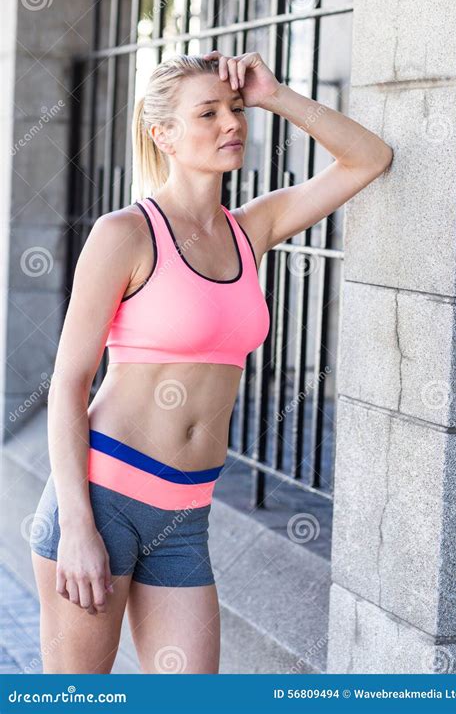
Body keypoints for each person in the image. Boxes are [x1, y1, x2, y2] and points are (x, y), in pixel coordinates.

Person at [29, 50, 393, 674]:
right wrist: (78, 528)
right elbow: (68, 383)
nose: (231, 124)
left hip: (186, 513)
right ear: (162, 134)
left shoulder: (251, 228)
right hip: (102, 496)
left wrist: (276, 96)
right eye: (208, 113)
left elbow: (370, 158)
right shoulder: (125, 234)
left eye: (235, 110)